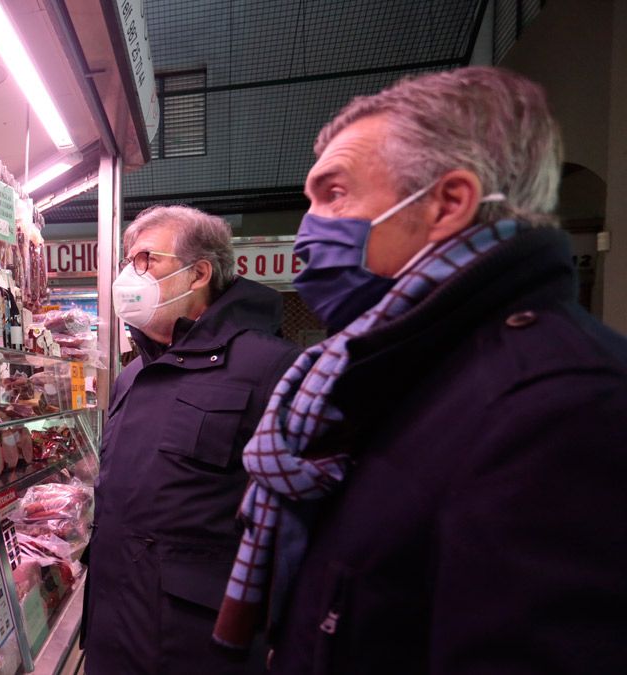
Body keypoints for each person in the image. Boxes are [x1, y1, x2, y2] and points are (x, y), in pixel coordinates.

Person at [214, 66, 627, 673]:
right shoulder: (383, 374)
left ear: (448, 204)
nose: (306, 233)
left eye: (333, 194)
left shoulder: (564, 408)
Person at [82, 205, 299, 675]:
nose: (127, 277)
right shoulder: (133, 375)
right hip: (113, 632)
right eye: (127, 261)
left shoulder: (272, 368)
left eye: (145, 260)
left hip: (198, 646)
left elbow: (297, 527)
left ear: (198, 272)